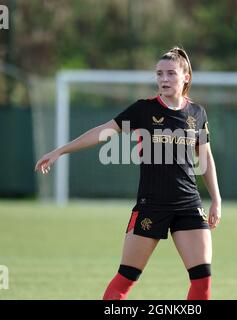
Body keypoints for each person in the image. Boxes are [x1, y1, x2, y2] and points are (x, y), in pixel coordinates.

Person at [35, 47, 222, 300]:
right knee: (125, 279)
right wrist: (60, 150)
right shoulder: (143, 110)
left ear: (186, 77)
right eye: (159, 74)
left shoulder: (197, 113)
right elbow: (102, 132)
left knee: (203, 282)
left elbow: (206, 157)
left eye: (170, 73)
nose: (163, 79)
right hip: (151, 206)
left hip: (188, 204)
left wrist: (216, 200)